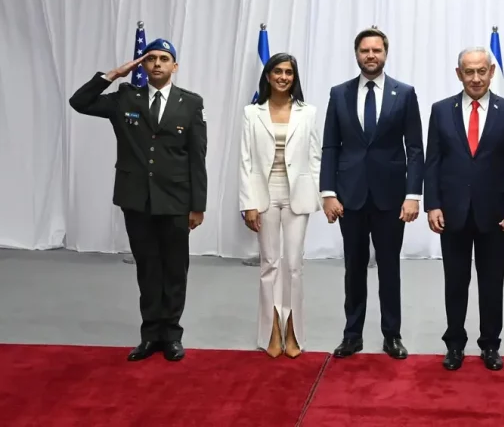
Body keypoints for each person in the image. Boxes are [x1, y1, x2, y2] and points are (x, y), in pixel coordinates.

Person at [68, 38, 207, 362]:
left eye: (164, 59)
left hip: (175, 198)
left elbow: (196, 156)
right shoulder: (124, 98)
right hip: (137, 200)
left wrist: (197, 205)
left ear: (174, 66)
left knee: (174, 270)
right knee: (147, 268)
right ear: (142, 66)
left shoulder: (190, 103)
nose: (157, 64)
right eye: (151, 59)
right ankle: (150, 336)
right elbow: (80, 102)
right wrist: (114, 74)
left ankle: (171, 335)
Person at [320, 28, 424, 359]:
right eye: (365, 50)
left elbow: (416, 149)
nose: (371, 55)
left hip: (391, 199)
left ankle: (392, 335)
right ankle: (352, 335)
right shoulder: (339, 94)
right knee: (354, 267)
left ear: (385, 53)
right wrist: (328, 192)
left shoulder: (404, 94)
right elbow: (330, 146)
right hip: (348, 198)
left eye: (376, 50)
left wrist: (413, 195)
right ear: (356, 54)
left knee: (389, 267)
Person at [423, 47, 504, 371]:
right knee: (455, 282)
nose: (476, 78)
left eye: (482, 71)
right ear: (459, 74)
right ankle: (454, 344)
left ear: (491, 71)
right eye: (470, 72)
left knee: (492, 283)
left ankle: (490, 345)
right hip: (451, 212)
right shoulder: (441, 111)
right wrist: (433, 205)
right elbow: (433, 162)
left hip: (494, 214)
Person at [239, 53, 321, 359]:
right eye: (278, 71)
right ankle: (271, 329)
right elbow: (246, 161)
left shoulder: (308, 112)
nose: (283, 77)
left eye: (289, 72)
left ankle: (294, 330)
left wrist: (319, 194)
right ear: (269, 76)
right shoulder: (252, 113)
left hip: (297, 194)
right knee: (269, 263)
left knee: (293, 265)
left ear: (294, 77)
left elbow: (314, 158)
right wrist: (248, 203)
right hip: (264, 194)